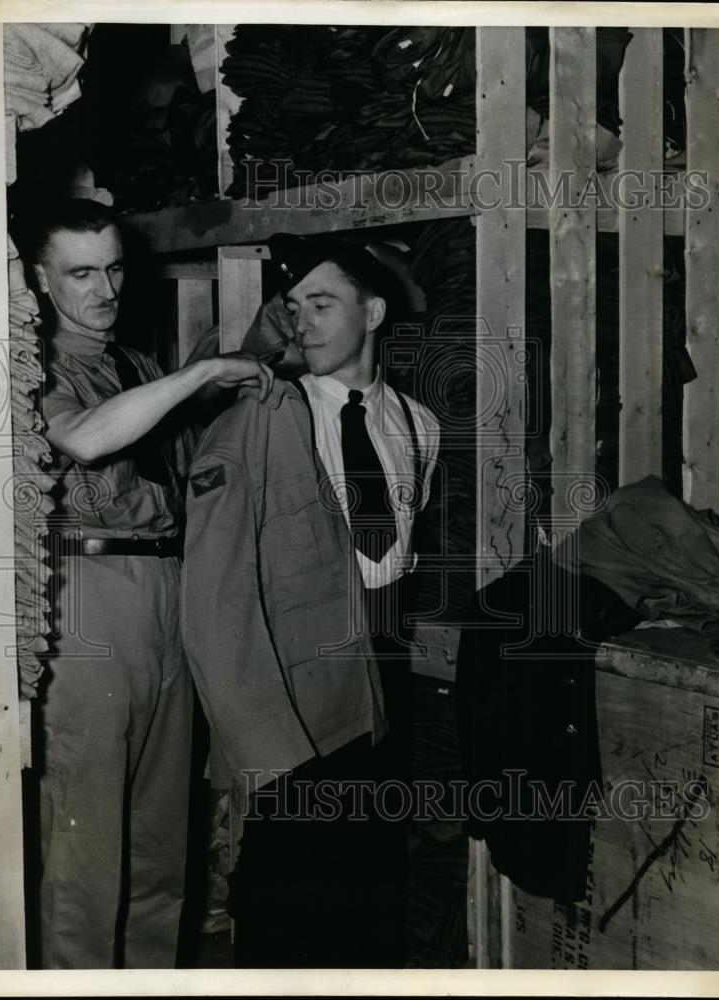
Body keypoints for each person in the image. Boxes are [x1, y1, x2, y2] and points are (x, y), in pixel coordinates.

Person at [181, 233, 439, 967]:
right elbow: (221, 589)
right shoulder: (264, 418)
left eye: (322, 304)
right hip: (298, 678)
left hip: (381, 673)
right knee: (286, 895)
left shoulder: (419, 427)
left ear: (374, 311)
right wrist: (257, 742)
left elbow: (396, 556)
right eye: (294, 307)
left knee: (373, 879)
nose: (303, 324)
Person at [32, 198, 273, 969]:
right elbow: (82, 435)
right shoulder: (27, 361)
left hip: (166, 591)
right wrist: (200, 370)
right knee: (88, 840)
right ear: (39, 279)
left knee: (161, 841)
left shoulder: (131, 362)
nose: (103, 289)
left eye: (113, 268)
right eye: (79, 273)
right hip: (88, 596)